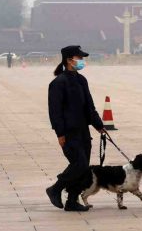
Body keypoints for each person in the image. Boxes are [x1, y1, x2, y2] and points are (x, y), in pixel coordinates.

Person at [46, 45, 105, 211]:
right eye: (79, 58)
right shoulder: (58, 83)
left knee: (83, 168)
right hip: (69, 133)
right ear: (69, 60)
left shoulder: (81, 80)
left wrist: (98, 125)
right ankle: (55, 189)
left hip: (83, 131)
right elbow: (54, 111)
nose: (81, 61)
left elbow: (89, 106)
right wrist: (60, 133)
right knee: (79, 165)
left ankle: (72, 201)